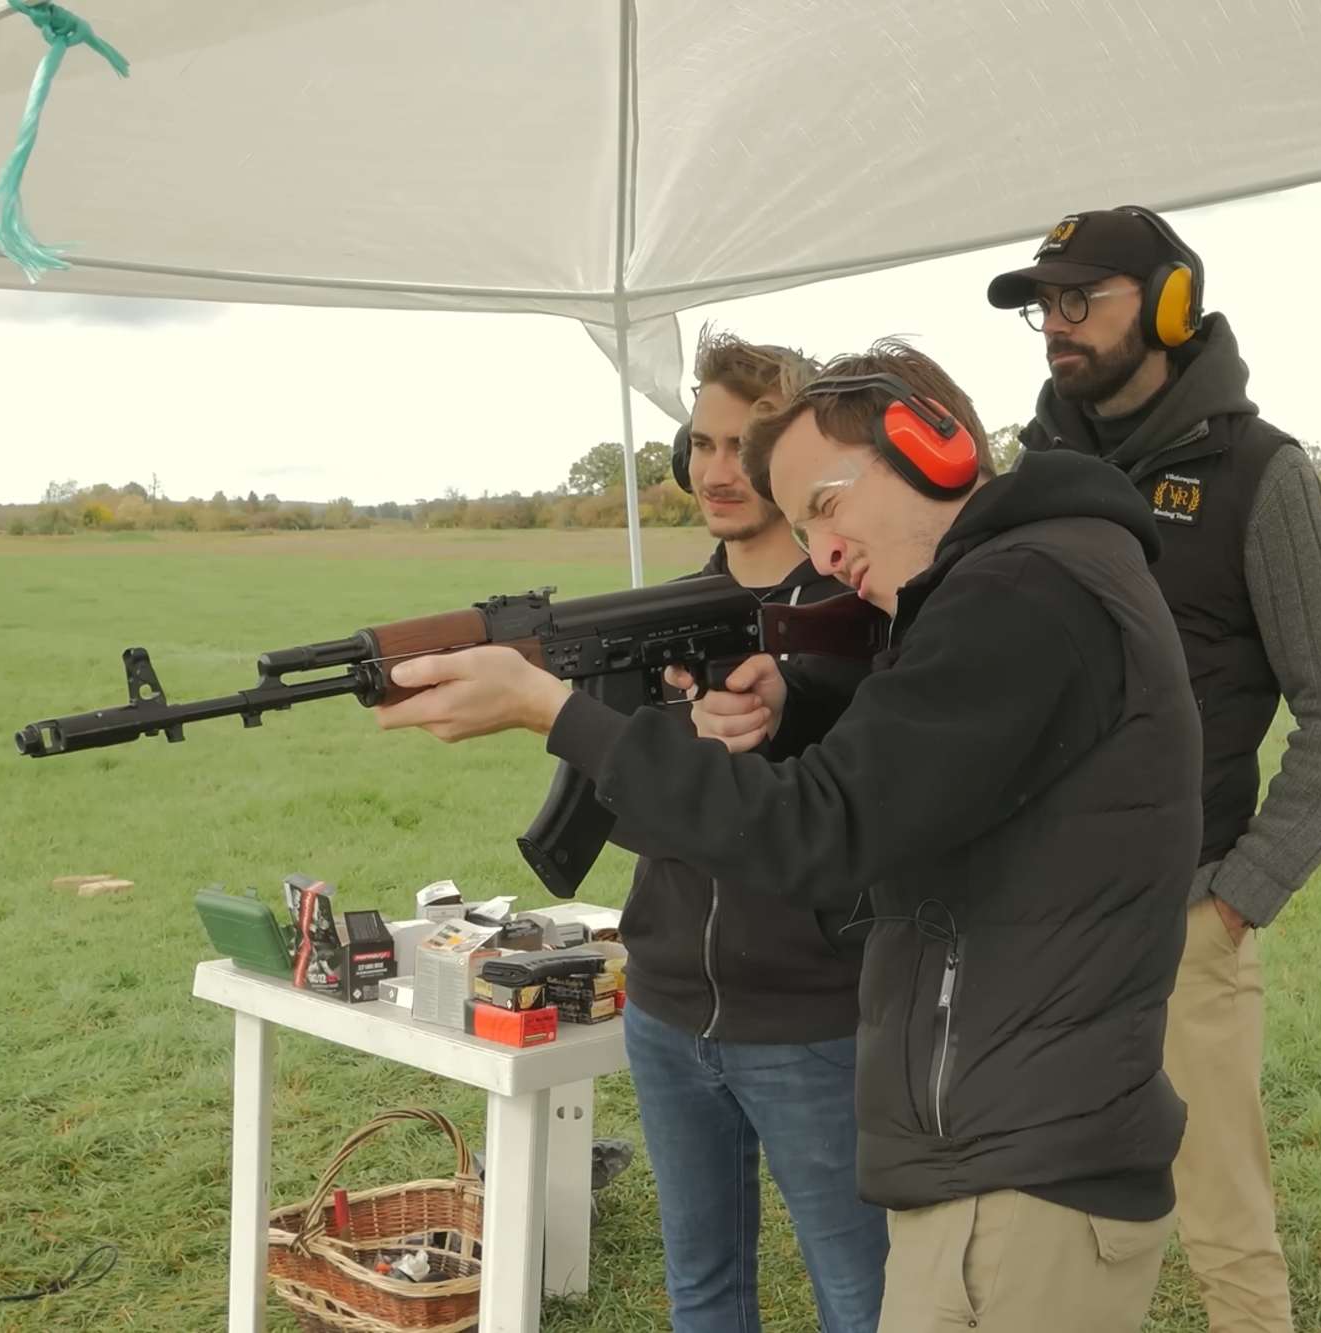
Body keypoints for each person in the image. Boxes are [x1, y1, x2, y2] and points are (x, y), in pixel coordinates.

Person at [372, 339, 1204, 1332]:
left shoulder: (1017, 592)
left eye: (825, 505)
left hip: (1019, 1166)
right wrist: (798, 700)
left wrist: (559, 714)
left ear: (931, 448)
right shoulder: (1041, 574)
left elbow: (824, 827)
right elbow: (930, 771)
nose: (822, 552)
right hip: (1012, 1137)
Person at [986, 207, 1321, 1333]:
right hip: (1034, 924)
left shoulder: (1264, 475)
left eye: (1081, 300)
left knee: (1222, 1223)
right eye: (1043, 306)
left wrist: (1236, 898)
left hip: (1179, 919)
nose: (1055, 326)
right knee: (1043, 1220)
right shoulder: (1029, 477)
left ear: (1170, 303)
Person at [621, 329, 886, 1333]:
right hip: (664, 1004)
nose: (716, 472)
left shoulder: (861, 612)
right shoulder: (654, 621)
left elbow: (864, 801)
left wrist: (794, 706)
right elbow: (617, 810)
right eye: (700, 443)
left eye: (742, 446)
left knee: (859, 1297)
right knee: (702, 1292)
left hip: (812, 1012)